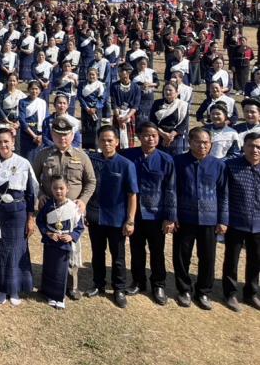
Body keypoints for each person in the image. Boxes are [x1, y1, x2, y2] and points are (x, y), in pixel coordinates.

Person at [32, 119, 97, 300]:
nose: (62, 138)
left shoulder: (81, 156)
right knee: (52, 247)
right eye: (58, 135)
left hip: (73, 211)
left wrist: (83, 200)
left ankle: (72, 285)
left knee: (72, 248)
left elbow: (91, 181)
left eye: (66, 134)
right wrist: (40, 194)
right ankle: (50, 284)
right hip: (51, 210)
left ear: (72, 135)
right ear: (52, 135)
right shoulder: (44, 155)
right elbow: (32, 177)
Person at [172, 127, 228, 309]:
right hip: (185, 218)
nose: (203, 146)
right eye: (199, 142)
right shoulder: (179, 162)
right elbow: (172, 190)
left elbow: (223, 194)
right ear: (190, 142)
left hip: (209, 219)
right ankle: (184, 290)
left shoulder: (218, 165)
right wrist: (173, 215)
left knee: (208, 257)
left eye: (206, 142)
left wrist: (223, 219)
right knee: (182, 256)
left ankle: (203, 292)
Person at [122, 122, 177, 306]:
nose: (150, 138)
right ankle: (138, 281)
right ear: (139, 136)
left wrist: (170, 216)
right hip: (135, 213)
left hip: (156, 215)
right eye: (146, 135)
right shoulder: (128, 156)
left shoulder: (166, 159)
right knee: (136, 249)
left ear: (159, 137)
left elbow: (170, 190)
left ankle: (158, 284)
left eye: (154, 135)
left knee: (157, 251)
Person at [85, 127, 138, 308]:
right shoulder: (93, 161)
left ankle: (119, 289)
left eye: (110, 140)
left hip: (117, 218)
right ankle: (98, 284)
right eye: (103, 140)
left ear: (116, 141)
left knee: (118, 256)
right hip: (96, 216)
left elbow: (132, 194)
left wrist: (130, 220)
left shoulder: (125, 164)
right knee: (97, 253)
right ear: (98, 142)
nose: (106, 144)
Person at [0, 126, 37, 306]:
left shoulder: (24, 163)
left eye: (6, 141)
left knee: (17, 250)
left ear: (13, 142)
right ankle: (1, 288)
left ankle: (15, 289)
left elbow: (31, 193)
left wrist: (31, 218)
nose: (3, 145)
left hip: (18, 212)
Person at [222, 132, 260, 312]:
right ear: (243, 147)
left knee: (256, 260)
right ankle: (230, 293)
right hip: (235, 221)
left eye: (259, 147)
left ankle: (251, 292)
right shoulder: (230, 166)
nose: (255, 150)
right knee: (232, 258)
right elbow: (224, 195)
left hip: (258, 224)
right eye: (251, 146)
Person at [36, 176, 85, 309]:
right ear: (51, 189)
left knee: (60, 270)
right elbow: (40, 221)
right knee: (48, 267)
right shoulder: (48, 205)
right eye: (55, 188)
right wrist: (48, 233)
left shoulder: (73, 207)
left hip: (64, 244)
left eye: (61, 188)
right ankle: (47, 292)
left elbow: (80, 227)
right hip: (51, 241)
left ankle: (59, 297)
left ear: (67, 189)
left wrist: (71, 236)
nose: (58, 191)